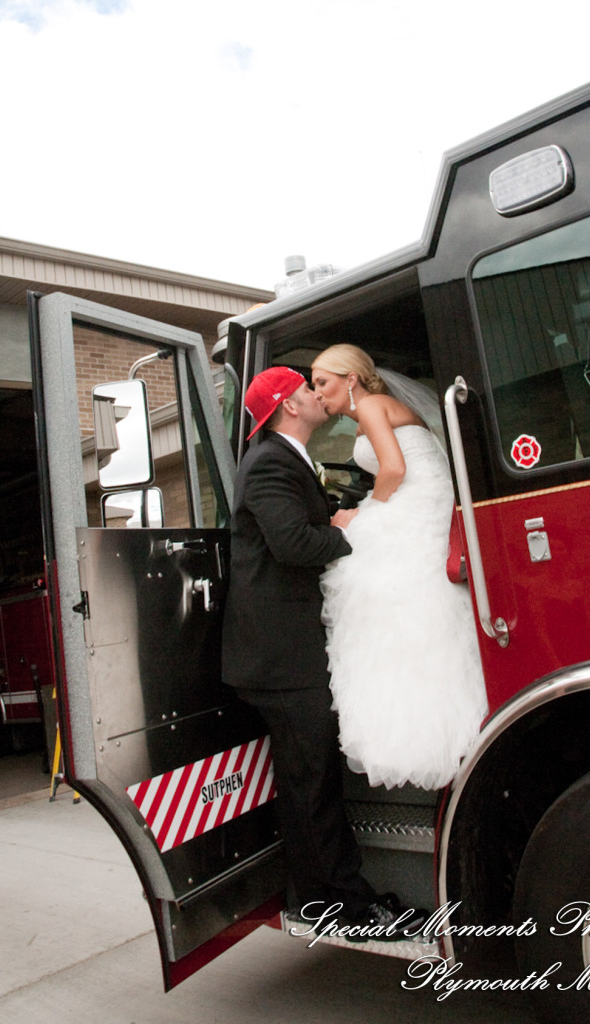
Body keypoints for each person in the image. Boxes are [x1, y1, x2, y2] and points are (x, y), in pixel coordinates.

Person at [221, 365, 423, 938]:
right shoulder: (268, 463)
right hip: (280, 658)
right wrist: (354, 527)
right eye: (307, 389)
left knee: (308, 783)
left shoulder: (286, 459)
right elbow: (294, 543)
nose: (315, 394)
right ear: (289, 405)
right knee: (314, 786)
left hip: (285, 654)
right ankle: (345, 906)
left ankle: (322, 900)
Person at [310, 344, 488, 791]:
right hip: (425, 501)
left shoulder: (369, 405)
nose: (317, 394)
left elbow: (392, 468)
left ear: (351, 379)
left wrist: (361, 515)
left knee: (372, 588)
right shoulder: (377, 407)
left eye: (322, 383)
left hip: (416, 501)